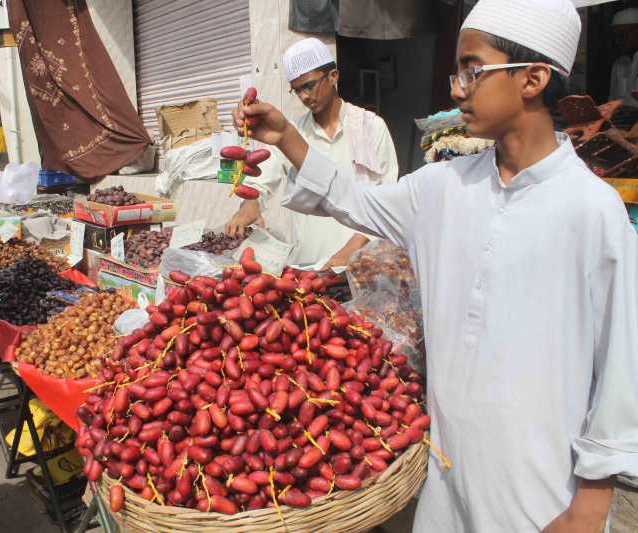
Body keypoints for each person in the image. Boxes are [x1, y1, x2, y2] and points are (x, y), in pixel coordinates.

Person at [233, 0, 638, 531]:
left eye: (472, 69)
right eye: (456, 72)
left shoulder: (592, 210)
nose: (456, 88)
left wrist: (590, 505)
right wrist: (287, 137)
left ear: (533, 78)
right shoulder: (444, 186)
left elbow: (621, 367)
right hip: (446, 474)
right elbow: (355, 200)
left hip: (540, 488)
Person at [225, 38, 398, 268]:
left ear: (333, 76)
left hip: (360, 266)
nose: (304, 97)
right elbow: (264, 177)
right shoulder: (292, 135)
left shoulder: (370, 127)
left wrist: (350, 251)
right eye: (297, 90)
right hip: (309, 269)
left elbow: (386, 201)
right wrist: (250, 204)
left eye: (308, 86)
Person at [609, 7, 638, 106]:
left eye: (621, 35)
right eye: (615, 36)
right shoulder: (619, 64)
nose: (617, 41)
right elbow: (612, 101)